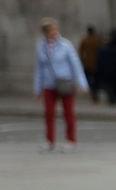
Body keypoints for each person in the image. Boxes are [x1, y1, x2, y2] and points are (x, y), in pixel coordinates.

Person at [33, 17, 88, 151]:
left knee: (68, 112)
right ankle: (49, 141)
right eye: (51, 31)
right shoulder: (41, 46)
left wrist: (82, 83)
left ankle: (71, 140)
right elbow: (39, 68)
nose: (54, 33)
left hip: (65, 82)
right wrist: (37, 88)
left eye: (55, 30)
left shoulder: (66, 45)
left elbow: (75, 64)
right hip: (49, 83)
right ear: (45, 32)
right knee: (49, 113)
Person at [77, 26, 102, 103]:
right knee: (96, 79)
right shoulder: (97, 40)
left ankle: (92, 90)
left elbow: (80, 51)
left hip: (87, 63)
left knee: (88, 78)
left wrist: (83, 60)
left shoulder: (85, 40)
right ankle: (95, 92)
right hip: (97, 63)